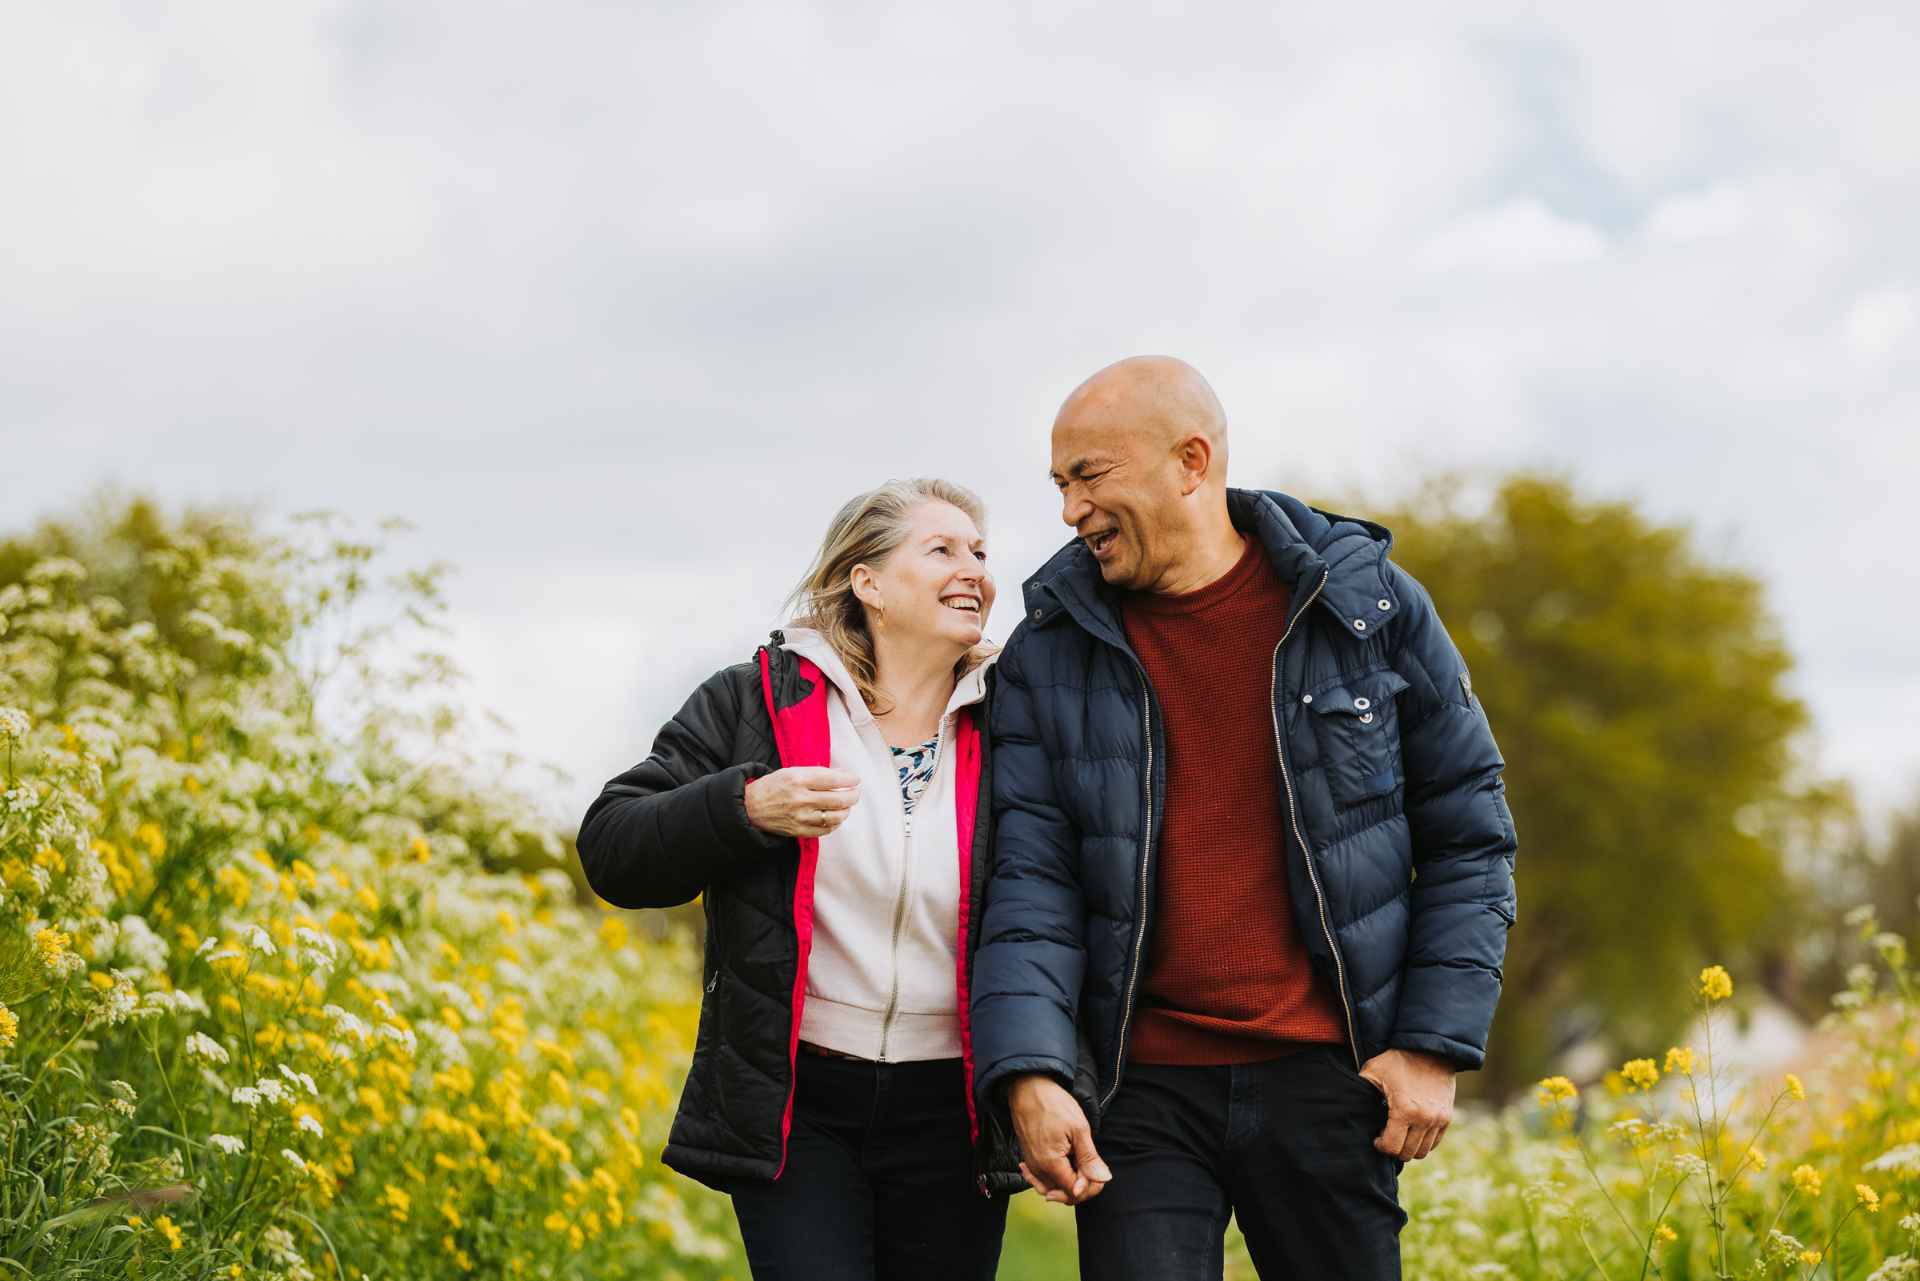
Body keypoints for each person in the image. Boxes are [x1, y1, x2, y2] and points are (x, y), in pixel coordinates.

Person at [970, 356, 1519, 1280]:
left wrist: (1430, 1046)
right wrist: (1029, 1069)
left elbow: (1469, 834)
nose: (1069, 511)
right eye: (1060, 484)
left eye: (1090, 476)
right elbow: (1029, 881)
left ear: (1191, 461)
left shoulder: (1368, 607)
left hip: (1328, 1077)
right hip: (1140, 1091)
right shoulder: (1047, 651)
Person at [576, 479, 1022, 1281]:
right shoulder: (756, 700)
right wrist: (742, 805)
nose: (975, 571)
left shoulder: (1017, 721)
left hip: (952, 1109)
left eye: (980, 553)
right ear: (869, 583)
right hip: (802, 1104)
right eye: (943, 549)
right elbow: (611, 843)